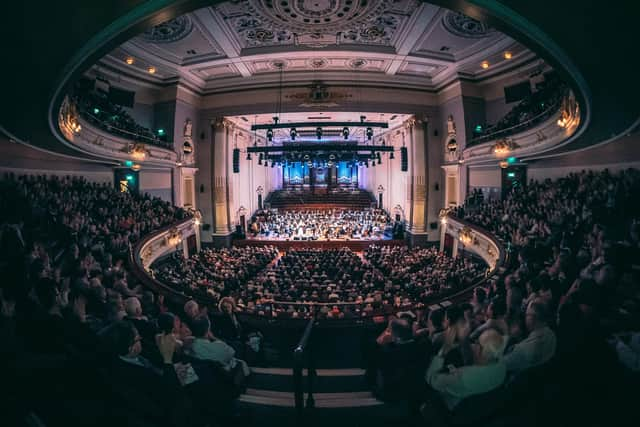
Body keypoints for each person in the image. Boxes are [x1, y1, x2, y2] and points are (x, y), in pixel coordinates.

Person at [425, 329, 506, 411]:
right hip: (482, 407)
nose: (473, 345)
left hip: (451, 404)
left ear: (482, 351)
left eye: (477, 342)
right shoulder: (502, 367)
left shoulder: (463, 375)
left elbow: (432, 380)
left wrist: (442, 353)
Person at [503, 300, 556, 375]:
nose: (525, 318)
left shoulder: (522, 350)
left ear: (533, 317)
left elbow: (500, 366)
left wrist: (508, 337)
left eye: (526, 314)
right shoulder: (552, 335)